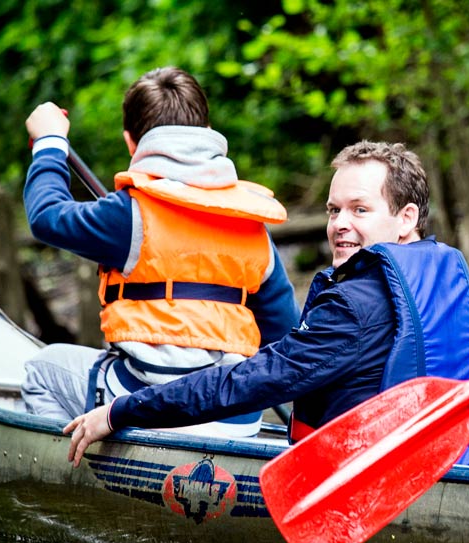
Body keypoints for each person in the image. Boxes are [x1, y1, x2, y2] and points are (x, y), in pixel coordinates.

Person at [63, 141, 469, 469]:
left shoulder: (354, 305)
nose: (340, 225)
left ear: (405, 217)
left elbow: (246, 383)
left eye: (360, 209)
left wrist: (121, 411)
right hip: (455, 465)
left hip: (375, 484)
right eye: (334, 210)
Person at [21, 66, 300, 437]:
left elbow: (45, 216)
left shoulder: (128, 216)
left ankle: (75, 477)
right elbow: (284, 335)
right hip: (237, 417)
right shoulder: (252, 224)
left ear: (130, 142)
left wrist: (50, 142)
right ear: (207, 132)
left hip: (148, 404)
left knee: (41, 369)